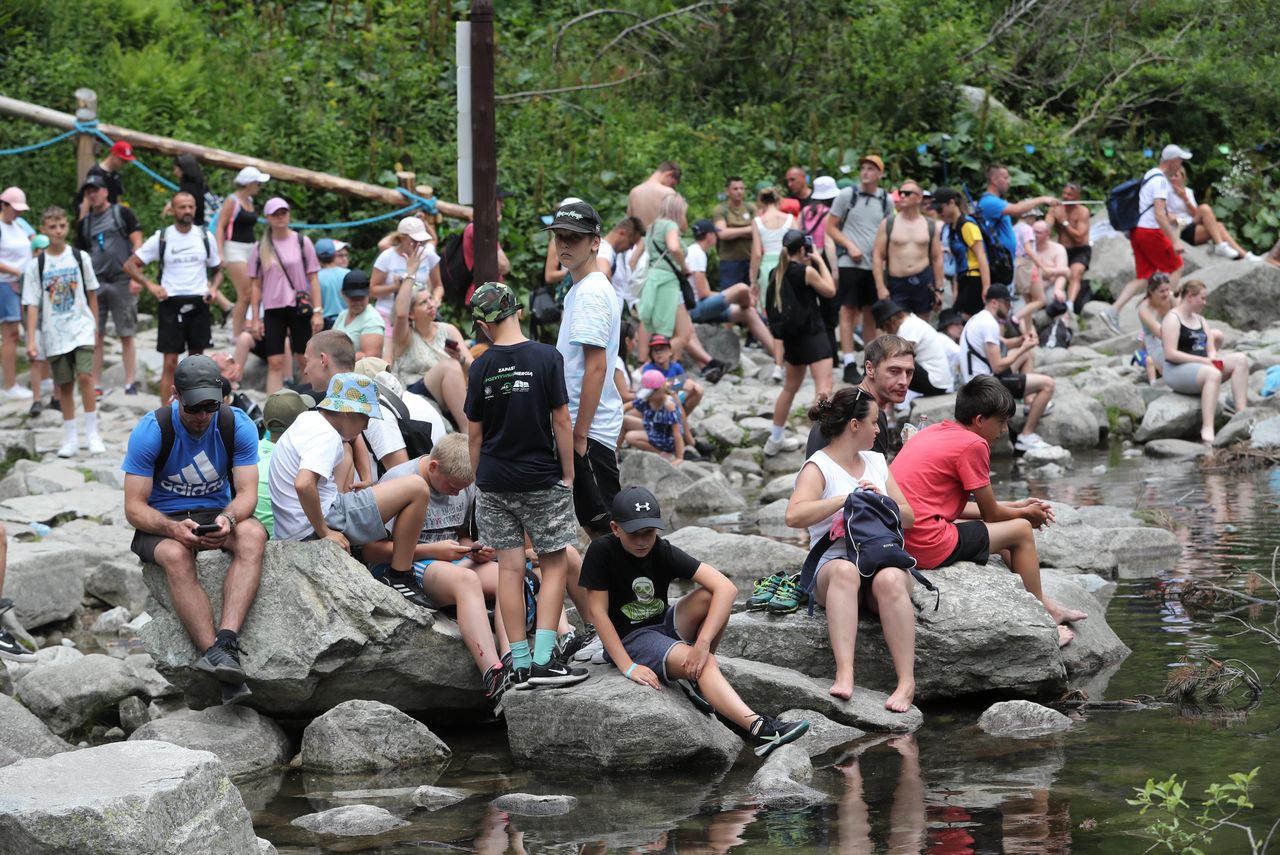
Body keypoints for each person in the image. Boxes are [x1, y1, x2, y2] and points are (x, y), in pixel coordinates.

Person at [583, 486, 810, 754]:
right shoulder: (601, 551)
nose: (643, 541)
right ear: (615, 527)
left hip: (663, 623)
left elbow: (727, 588)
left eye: (649, 533)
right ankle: (759, 730)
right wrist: (627, 666)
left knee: (710, 597)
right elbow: (597, 612)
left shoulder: (661, 549)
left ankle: (697, 674)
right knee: (707, 663)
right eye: (634, 534)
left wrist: (701, 646)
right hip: (632, 639)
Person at [891, 376, 1087, 647]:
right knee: (1019, 531)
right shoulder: (973, 445)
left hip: (904, 536)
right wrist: (1025, 516)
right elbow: (991, 515)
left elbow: (969, 509)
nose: (1005, 430)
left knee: (1005, 530)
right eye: (1002, 422)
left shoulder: (934, 431)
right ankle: (1044, 619)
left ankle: (1046, 604)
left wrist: (1016, 506)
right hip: (926, 543)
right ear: (980, 420)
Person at [465, 281, 587, 687]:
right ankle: (543, 660)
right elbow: (562, 422)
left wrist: (482, 480)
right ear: (518, 311)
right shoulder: (546, 357)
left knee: (510, 570)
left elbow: (475, 436)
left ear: (483, 324)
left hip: (494, 482)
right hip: (541, 478)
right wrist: (567, 473)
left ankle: (517, 662)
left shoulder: (480, 366)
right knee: (554, 564)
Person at [122, 355, 266, 684]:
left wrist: (228, 518)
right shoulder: (152, 430)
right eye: (194, 408)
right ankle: (213, 654)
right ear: (175, 395)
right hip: (161, 518)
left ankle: (226, 642)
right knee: (175, 555)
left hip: (215, 513)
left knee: (253, 535)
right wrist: (171, 528)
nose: (202, 416)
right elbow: (133, 507)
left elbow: (247, 493)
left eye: (210, 408)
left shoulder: (236, 424)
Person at [784, 388, 917, 709]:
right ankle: (845, 674)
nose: (878, 430)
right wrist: (846, 499)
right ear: (854, 426)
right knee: (845, 572)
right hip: (834, 564)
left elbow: (910, 516)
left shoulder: (876, 462)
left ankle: (906, 682)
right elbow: (794, 515)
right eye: (874, 423)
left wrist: (881, 501)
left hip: (879, 557)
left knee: (890, 580)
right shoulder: (819, 467)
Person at [369, 433, 510, 711]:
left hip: (449, 558)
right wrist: (433, 552)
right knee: (466, 580)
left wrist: (475, 548)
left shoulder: (463, 483)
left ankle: (511, 657)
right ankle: (493, 674)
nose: (456, 493)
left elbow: (461, 535)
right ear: (433, 467)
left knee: (505, 574)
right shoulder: (399, 480)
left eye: (463, 488)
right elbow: (372, 551)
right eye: (451, 486)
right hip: (408, 562)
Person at [268, 372, 433, 603]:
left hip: (293, 526)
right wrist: (325, 533)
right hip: (314, 526)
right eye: (364, 417)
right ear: (346, 411)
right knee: (417, 487)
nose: (366, 425)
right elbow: (304, 484)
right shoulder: (326, 435)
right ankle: (400, 576)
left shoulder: (309, 419)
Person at [550, 201, 624, 536]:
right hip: (582, 424)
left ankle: (636, 590)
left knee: (608, 530)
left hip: (588, 429)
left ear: (595, 242)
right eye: (559, 237)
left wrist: (578, 436)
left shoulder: (591, 292)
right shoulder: (582, 288)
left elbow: (596, 367)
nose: (564, 244)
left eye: (573, 238)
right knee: (598, 526)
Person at [124, 192, 222, 404]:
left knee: (198, 362)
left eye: (190, 206)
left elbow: (218, 269)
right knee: (170, 362)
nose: (187, 211)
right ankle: (166, 412)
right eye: (182, 207)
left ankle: (197, 406)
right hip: (171, 302)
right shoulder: (163, 237)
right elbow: (130, 265)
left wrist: (213, 289)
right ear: (172, 210)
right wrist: (151, 286)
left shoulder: (205, 236)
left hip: (198, 301)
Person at [22, 206, 103, 457]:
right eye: (52, 227)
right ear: (44, 230)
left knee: (86, 377)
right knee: (64, 384)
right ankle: (70, 436)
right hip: (54, 332)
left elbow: (91, 293)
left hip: (80, 326)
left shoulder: (80, 257)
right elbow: (32, 304)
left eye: (62, 226)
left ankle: (92, 432)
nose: (58, 231)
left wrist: (95, 327)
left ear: (67, 227)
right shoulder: (37, 265)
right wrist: (31, 338)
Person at [1101, 145, 1191, 333]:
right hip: (1151, 231)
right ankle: (1166, 314)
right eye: (1180, 160)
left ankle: (1113, 310)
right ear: (1172, 161)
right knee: (1176, 267)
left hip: (1137, 231)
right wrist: (1174, 240)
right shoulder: (1160, 182)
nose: (1181, 165)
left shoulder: (1151, 174)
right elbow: (1159, 215)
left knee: (1144, 277)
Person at [765, 229, 836, 457]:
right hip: (814, 336)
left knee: (789, 389)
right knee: (823, 389)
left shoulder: (777, 272)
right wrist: (818, 260)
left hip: (792, 339)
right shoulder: (805, 271)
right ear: (803, 249)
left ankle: (775, 438)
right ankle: (821, 443)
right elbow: (830, 290)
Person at [959, 285, 1055, 451]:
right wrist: (1024, 347)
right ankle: (1026, 435)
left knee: (1027, 355)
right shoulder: (989, 323)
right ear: (995, 302)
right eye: (1007, 303)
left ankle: (1028, 404)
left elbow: (1001, 343)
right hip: (985, 386)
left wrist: (1022, 340)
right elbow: (997, 366)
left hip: (976, 380)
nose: (1010, 308)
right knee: (1048, 384)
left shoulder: (979, 319)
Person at [246, 198, 324, 393]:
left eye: (283, 212)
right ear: (268, 218)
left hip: (299, 306)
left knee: (304, 357)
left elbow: (313, 278)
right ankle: (273, 410)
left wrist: (317, 311)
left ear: (288, 214)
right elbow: (255, 285)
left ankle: (311, 400)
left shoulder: (301, 241)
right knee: (275, 361)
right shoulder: (260, 247)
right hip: (273, 308)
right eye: (275, 214)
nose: (280, 217)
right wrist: (255, 318)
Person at [77, 173, 143, 396]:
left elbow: (137, 243)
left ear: (105, 191)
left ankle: (130, 382)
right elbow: (82, 254)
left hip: (121, 280)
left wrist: (136, 276)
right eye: (89, 192)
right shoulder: (84, 223)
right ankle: (96, 383)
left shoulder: (121, 213)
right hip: (95, 283)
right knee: (95, 334)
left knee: (126, 332)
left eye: (96, 190)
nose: (93, 195)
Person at [1160, 280, 1248, 444]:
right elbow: (1170, 354)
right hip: (1176, 370)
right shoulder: (1172, 319)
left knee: (1240, 360)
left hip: (1202, 367)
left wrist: (1213, 358)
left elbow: (1210, 348)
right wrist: (1205, 361)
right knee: (1213, 374)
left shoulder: (1201, 320)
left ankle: (1241, 414)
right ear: (1189, 297)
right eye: (1203, 298)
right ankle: (1208, 427)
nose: (1205, 303)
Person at [827, 155, 892, 378]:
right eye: (863, 168)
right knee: (848, 310)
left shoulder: (886, 200)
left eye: (871, 169)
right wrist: (849, 245)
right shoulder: (847, 195)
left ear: (880, 174)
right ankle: (847, 362)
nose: (865, 172)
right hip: (850, 261)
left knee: (871, 314)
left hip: (873, 265)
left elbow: (887, 231)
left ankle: (869, 362)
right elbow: (831, 227)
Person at [806, 333, 917, 459]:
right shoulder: (867, 412)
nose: (904, 381)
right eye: (894, 371)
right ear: (870, 369)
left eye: (909, 372)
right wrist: (910, 450)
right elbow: (879, 477)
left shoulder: (847, 400)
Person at [390, 270, 471, 431]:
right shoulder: (405, 337)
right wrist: (410, 273)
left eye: (431, 299)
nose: (431, 304)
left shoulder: (448, 330)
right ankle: (469, 433)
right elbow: (400, 315)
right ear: (411, 313)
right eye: (423, 302)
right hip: (416, 395)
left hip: (450, 394)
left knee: (455, 366)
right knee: (450, 366)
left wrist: (461, 358)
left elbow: (475, 371)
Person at [686, 219, 775, 357]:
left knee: (749, 313)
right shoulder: (697, 253)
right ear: (709, 236)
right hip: (695, 308)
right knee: (741, 288)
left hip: (698, 306)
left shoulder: (694, 251)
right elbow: (703, 293)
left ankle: (778, 356)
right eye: (714, 235)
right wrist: (732, 298)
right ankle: (748, 302)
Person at [976, 164, 1059, 288]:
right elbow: (1016, 209)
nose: (1009, 181)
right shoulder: (989, 202)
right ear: (994, 180)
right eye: (1005, 178)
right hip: (997, 263)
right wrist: (1042, 199)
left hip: (1005, 263)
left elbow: (1016, 207)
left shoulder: (997, 201)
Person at [872, 180, 944, 320]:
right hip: (897, 282)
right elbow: (878, 256)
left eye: (907, 193)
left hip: (923, 280)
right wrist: (880, 287)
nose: (903, 196)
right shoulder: (888, 223)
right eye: (901, 193)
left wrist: (939, 289)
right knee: (898, 326)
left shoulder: (929, 225)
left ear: (919, 198)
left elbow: (937, 258)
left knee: (922, 328)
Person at [215, 166, 270, 337]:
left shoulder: (250, 201)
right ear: (249, 184)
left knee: (253, 290)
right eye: (258, 183)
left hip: (250, 248)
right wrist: (220, 252)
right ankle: (236, 333)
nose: (260, 187)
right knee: (245, 292)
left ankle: (242, 327)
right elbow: (220, 226)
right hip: (234, 248)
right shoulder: (232, 201)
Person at [252, 389, 312, 537]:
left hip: (253, 534)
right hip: (288, 539)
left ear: (265, 423)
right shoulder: (302, 456)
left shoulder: (252, 449)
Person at [1168, 168, 1261, 262]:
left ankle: (1239, 253)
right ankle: (1243, 254)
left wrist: (1185, 199)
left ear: (1183, 177)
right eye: (1171, 176)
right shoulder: (1166, 193)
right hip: (1180, 228)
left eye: (1176, 176)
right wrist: (1182, 220)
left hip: (1192, 223)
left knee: (1206, 210)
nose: (1173, 179)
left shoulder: (1188, 191)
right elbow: (1169, 218)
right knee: (1218, 226)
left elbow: (1195, 214)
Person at [751, 187, 794, 384]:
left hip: (768, 265)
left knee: (773, 314)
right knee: (790, 310)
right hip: (787, 265)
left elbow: (756, 253)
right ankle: (791, 355)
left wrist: (753, 279)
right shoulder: (790, 219)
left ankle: (778, 362)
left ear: (761, 201)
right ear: (779, 200)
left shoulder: (758, 221)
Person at [872, 300, 954, 397]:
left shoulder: (907, 326)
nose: (886, 331)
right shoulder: (912, 322)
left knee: (893, 363)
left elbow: (899, 356)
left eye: (884, 328)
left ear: (889, 322)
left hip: (935, 381)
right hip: (938, 381)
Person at [371, 216, 441, 328]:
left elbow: (438, 286)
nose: (418, 244)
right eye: (414, 240)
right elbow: (372, 291)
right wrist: (395, 287)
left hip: (419, 317)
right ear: (402, 238)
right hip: (388, 315)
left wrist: (436, 299)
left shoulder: (428, 255)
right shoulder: (387, 257)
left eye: (421, 241)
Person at [0, 187, 36, 401]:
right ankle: (10, 384)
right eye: (14, 209)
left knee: (30, 331)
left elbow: (35, 241)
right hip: (5, 284)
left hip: (24, 285)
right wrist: (16, 271)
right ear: (3, 205)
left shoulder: (19, 225)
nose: (18, 213)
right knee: (11, 334)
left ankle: (40, 377)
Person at [933, 188, 990, 317]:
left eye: (939, 209)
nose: (937, 213)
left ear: (951, 203)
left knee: (965, 320)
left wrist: (986, 286)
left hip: (974, 280)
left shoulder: (967, 225)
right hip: (964, 279)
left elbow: (981, 255)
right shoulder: (953, 227)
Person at [1043, 183, 1092, 308]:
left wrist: (1064, 222)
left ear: (1077, 197)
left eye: (1070, 194)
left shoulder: (1082, 212)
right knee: (1053, 272)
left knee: (1075, 273)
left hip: (1080, 249)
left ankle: (1069, 304)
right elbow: (1045, 229)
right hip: (1062, 249)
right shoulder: (1057, 209)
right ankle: (1051, 302)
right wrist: (1051, 213)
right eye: (1064, 193)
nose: (1065, 197)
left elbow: (1079, 237)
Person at [1017, 220, 1069, 333]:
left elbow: (1064, 274)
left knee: (1058, 299)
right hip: (1028, 289)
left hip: (1049, 287)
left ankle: (1061, 332)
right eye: (1032, 232)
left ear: (1047, 234)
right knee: (1021, 312)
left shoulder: (1058, 249)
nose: (1034, 235)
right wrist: (1049, 271)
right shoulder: (1025, 249)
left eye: (1038, 232)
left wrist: (1058, 289)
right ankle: (1029, 337)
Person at [625, 369, 686, 461]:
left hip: (665, 438)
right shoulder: (647, 398)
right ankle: (614, 451)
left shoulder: (669, 405)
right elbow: (626, 406)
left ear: (660, 390)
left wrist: (679, 457)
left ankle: (664, 454)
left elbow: (677, 433)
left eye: (650, 393)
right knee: (624, 419)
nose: (648, 396)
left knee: (630, 436)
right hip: (653, 427)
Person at [712, 176, 755, 291]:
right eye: (735, 189)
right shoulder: (721, 209)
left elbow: (758, 231)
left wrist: (733, 231)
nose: (739, 192)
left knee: (751, 295)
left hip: (750, 260)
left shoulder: (750, 208)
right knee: (730, 297)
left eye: (741, 188)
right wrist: (747, 230)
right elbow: (722, 234)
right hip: (729, 262)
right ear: (727, 191)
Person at [331, 270, 384, 358]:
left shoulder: (372, 319)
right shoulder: (343, 315)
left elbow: (371, 356)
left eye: (361, 298)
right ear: (343, 294)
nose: (358, 302)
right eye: (353, 298)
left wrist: (335, 358)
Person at [73, 140, 133, 217]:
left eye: (126, 161)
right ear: (113, 155)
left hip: (110, 217)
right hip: (96, 217)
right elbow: (87, 199)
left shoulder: (116, 175)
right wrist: (82, 222)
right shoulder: (96, 172)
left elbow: (118, 198)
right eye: (122, 160)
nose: (124, 163)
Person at [595, 215, 643, 309]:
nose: (631, 248)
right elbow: (602, 272)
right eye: (631, 243)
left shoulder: (610, 252)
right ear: (622, 233)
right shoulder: (605, 250)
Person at [1136, 272, 1173, 385]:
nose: (1166, 294)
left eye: (1167, 290)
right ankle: (1154, 382)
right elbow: (1159, 333)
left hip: (1172, 336)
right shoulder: (1144, 308)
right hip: (1155, 343)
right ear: (1151, 291)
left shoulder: (1171, 298)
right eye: (1162, 291)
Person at [627, 162, 681, 229]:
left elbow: (630, 221)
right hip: (661, 238)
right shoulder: (669, 192)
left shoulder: (634, 191)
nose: (671, 187)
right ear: (669, 174)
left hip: (640, 238)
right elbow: (681, 226)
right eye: (672, 184)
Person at [314, 237, 349, 329]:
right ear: (334, 254)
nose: (345, 259)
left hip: (325, 324)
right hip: (347, 321)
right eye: (340, 255)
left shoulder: (315, 278)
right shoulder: (349, 274)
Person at [167, 154, 210, 226]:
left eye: (176, 169)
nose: (175, 172)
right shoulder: (201, 183)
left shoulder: (187, 189)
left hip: (197, 225)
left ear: (183, 170)